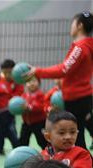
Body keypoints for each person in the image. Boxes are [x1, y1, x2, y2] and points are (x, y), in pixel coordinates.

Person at [29, 11, 93, 148]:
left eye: (73, 23)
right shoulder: (85, 46)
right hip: (80, 96)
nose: (71, 27)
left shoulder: (80, 48)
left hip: (77, 98)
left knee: (75, 139)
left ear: (80, 25)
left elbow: (64, 69)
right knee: (76, 137)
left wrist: (37, 71)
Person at [18, 77, 47, 149]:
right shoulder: (24, 95)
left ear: (39, 83)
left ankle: (48, 153)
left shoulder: (41, 95)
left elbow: (41, 106)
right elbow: (20, 106)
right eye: (28, 82)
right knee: (23, 140)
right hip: (26, 123)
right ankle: (22, 153)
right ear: (25, 84)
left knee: (42, 140)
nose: (31, 83)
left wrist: (30, 107)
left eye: (34, 81)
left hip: (39, 122)